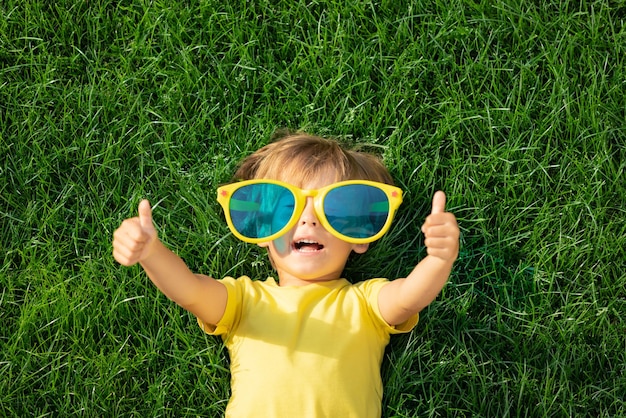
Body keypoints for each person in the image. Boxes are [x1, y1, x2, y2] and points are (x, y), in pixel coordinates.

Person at [112, 131, 460, 418]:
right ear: (262, 229)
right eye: (286, 208)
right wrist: (152, 254)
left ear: (360, 235)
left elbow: (410, 295)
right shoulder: (244, 300)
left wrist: (439, 260)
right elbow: (187, 290)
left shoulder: (365, 303)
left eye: (334, 209)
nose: (308, 220)